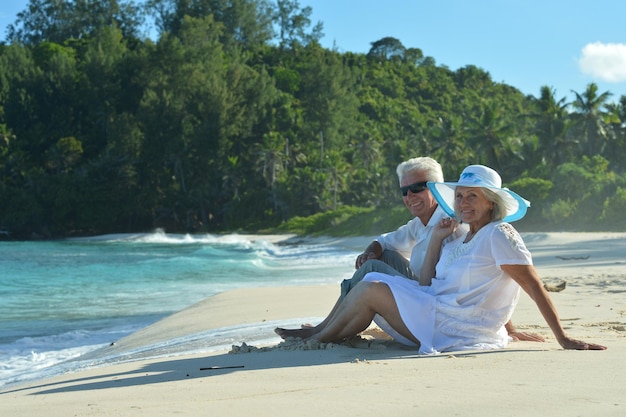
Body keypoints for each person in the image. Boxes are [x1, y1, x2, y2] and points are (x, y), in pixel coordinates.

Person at [276, 165, 606, 353]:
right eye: (459, 196)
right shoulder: (462, 234)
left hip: (460, 326)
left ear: (490, 202)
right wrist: (436, 238)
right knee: (372, 280)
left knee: (370, 287)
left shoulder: (499, 234)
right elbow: (424, 283)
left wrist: (563, 338)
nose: (463, 203)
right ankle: (320, 336)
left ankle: (316, 339)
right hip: (434, 307)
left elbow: (532, 286)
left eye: (472, 197)